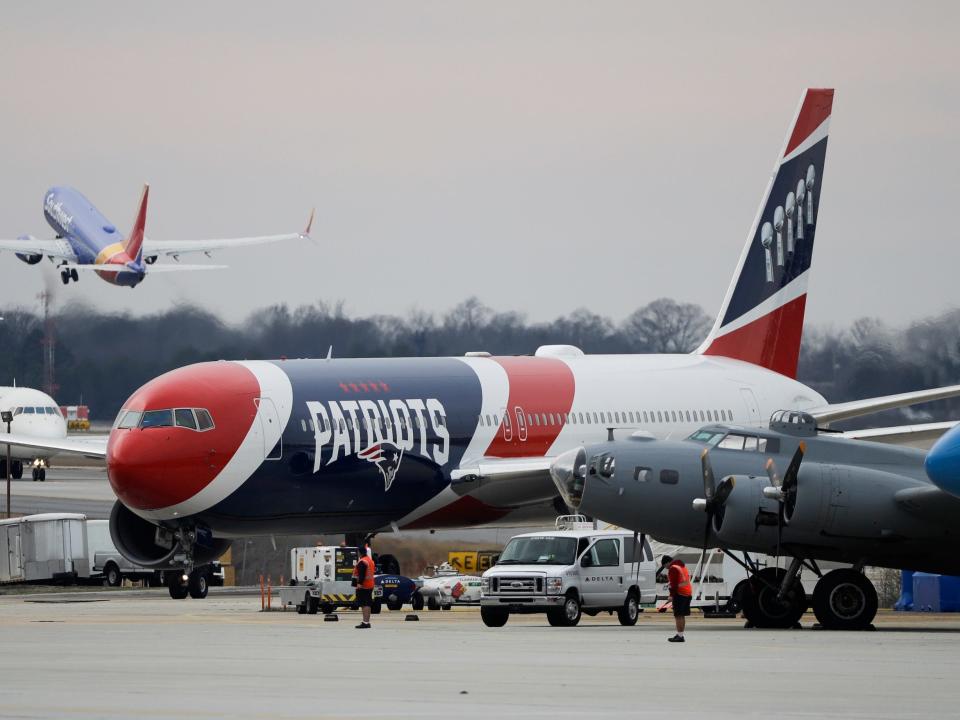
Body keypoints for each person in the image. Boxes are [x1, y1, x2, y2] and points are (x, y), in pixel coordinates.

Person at [662, 555, 693, 642]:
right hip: (687, 593)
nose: (666, 568)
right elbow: (682, 580)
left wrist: (671, 596)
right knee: (682, 615)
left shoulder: (673, 568)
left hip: (680, 594)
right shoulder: (681, 566)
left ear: (668, 562)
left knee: (678, 615)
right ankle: (680, 635)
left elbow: (675, 585)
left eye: (665, 566)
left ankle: (680, 636)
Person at [352, 541, 376, 629]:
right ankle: (366, 621)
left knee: (364, 604)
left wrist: (359, 584)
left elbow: (361, 574)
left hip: (364, 586)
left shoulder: (362, 561)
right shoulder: (370, 561)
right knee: (367, 604)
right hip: (370, 585)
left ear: (359, 552)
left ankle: (365, 622)